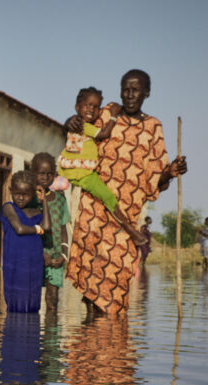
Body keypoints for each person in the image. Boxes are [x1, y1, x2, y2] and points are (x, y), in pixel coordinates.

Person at [65, 69, 188, 315]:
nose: (129, 95)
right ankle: (89, 347)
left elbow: (156, 176)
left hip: (126, 217)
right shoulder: (109, 112)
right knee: (90, 284)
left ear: (147, 93)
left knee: (115, 285)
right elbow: (83, 126)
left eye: (135, 90)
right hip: (95, 209)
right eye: (125, 89)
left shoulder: (153, 127)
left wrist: (171, 172)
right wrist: (70, 122)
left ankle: (110, 348)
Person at [58, 88, 146, 245]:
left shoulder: (77, 124)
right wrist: (113, 115)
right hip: (85, 175)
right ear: (77, 107)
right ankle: (130, 229)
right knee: (108, 198)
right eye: (87, 105)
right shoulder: (83, 125)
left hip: (67, 171)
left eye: (96, 107)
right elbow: (104, 133)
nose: (91, 110)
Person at [1, 170, 51, 313]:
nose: (21, 198)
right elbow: (19, 229)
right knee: (15, 303)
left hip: (33, 262)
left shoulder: (37, 213)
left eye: (26, 194)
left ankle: (30, 333)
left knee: (31, 304)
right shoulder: (8, 207)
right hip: (15, 263)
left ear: (33, 194)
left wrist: (44, 201)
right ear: (11, 191)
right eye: (17, 194)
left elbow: (47, 227)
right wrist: (37, 229)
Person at [31, 153, 70, 313]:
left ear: (55, 174)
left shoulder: (60, 200)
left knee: (53, 301)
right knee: (32, 298)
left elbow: (63, 229)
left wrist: (64, 255)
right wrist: (40, 254)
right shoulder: (29, 199)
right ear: (33, 173)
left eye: (50, 174)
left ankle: (51, 336)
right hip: (35, 256)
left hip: (55, 257)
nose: (46, 177)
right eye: (41, 173)